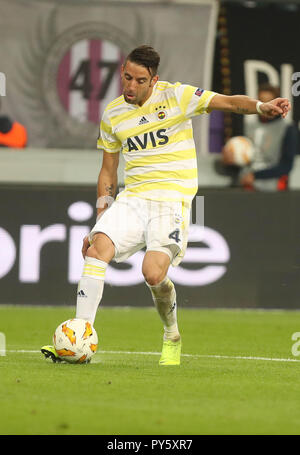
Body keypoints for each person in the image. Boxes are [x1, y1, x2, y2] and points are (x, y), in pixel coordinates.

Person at [41, 45, 290, 365]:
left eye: (138, 80)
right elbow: (108, 169)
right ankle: (79, 338)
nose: (130, 86)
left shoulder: (178, 97)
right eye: (126, 77)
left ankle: (172, 333)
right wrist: (102, 216)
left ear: (153, 80)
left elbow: (227, 102)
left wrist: (260, 106)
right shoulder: (114, 113)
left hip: (170, 200)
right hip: (133, 198)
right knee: (95, 249)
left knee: (152, 273)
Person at [221, 83, 298, 191]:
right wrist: (229, 159)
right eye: (262, 101)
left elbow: (286, 166)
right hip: (244, 186)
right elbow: (242, 158)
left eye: (270, 101)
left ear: (278, 104)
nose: (266, 105)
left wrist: (255, 176)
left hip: (272, 189)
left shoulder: (288, 129)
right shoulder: (248, 125)